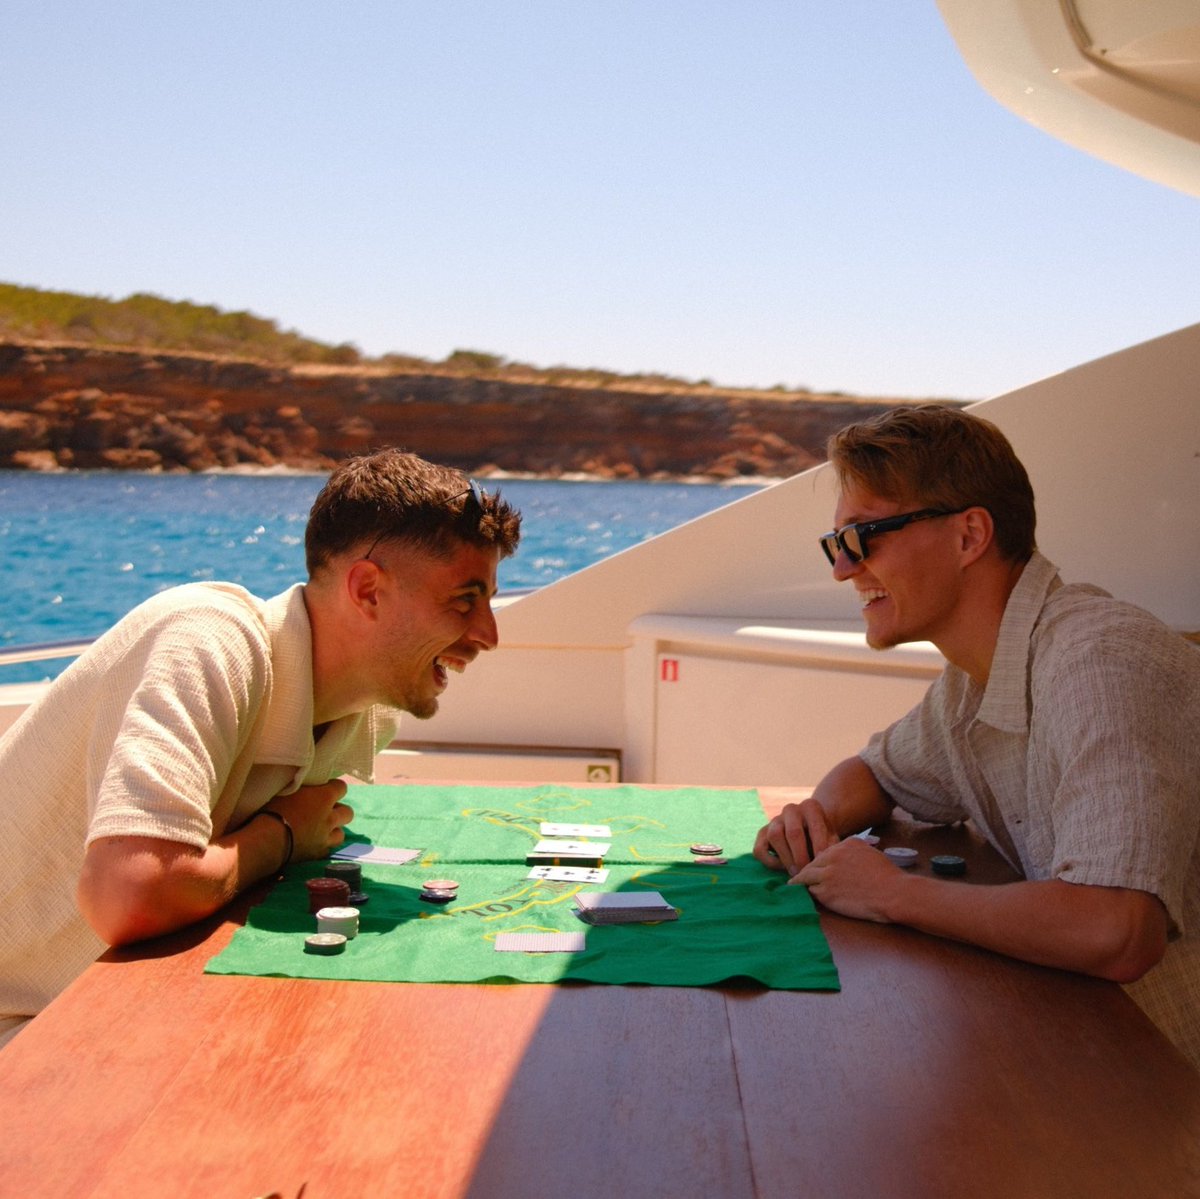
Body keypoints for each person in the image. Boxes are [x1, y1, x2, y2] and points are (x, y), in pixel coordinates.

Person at [0, 449, 521, 1047]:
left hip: (103, 1007)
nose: (489, 634)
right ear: (369, 591)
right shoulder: (207, 639)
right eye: (464, 599)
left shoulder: (363, 706)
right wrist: (284, 837)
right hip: (23, 1022)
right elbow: (128, 893)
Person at [753, 404, 1200, 1071]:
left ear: (968, 537)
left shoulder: (1099, 662)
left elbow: (1118, 928)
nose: (843, 569)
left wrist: (893, 893)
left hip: (1169, 1086)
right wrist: (817, 821)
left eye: (863, 536)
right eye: (836, 544)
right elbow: (877, 772)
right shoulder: (973, 679)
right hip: (1103, 1048)